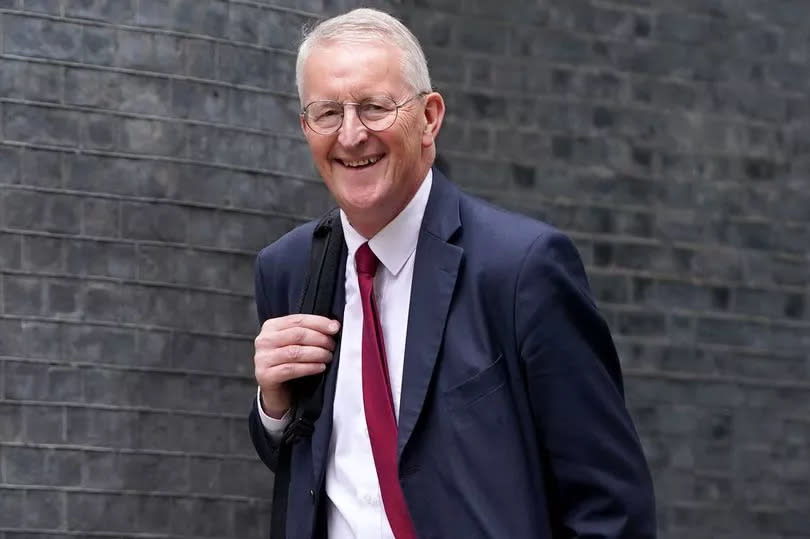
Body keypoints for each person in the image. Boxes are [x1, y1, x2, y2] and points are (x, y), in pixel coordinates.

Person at [248, 7, 656, 539]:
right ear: (307, 127)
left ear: (430, 117)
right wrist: (273, 407)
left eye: (374, 107)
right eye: (327, 113)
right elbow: (304, 463)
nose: (350, 135)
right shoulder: (288, 268)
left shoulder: (520, 269)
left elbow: (611, 507)